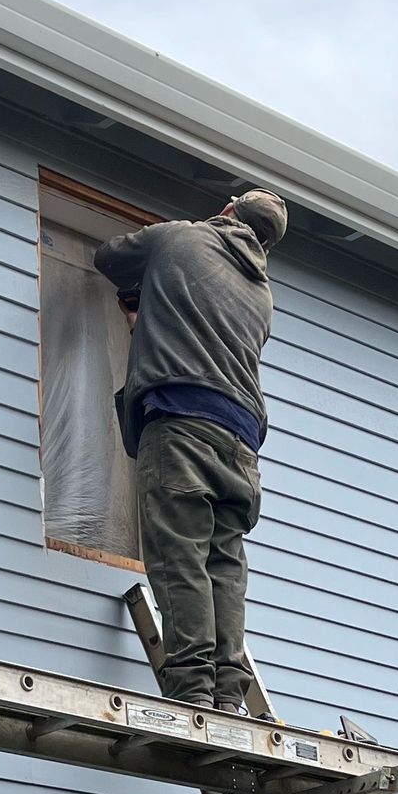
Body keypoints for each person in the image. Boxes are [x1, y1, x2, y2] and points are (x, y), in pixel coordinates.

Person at [92, 190, 288, 712]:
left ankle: (193, 689)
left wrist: (147, 280)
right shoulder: (261, 293)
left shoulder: (180, 236)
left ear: (227, 211)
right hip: (241, 440)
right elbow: (201, 329)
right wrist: (150, 310)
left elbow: (107, 256)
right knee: (223, 562)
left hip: (182, 418)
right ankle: (228, 692)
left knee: (180, 552)